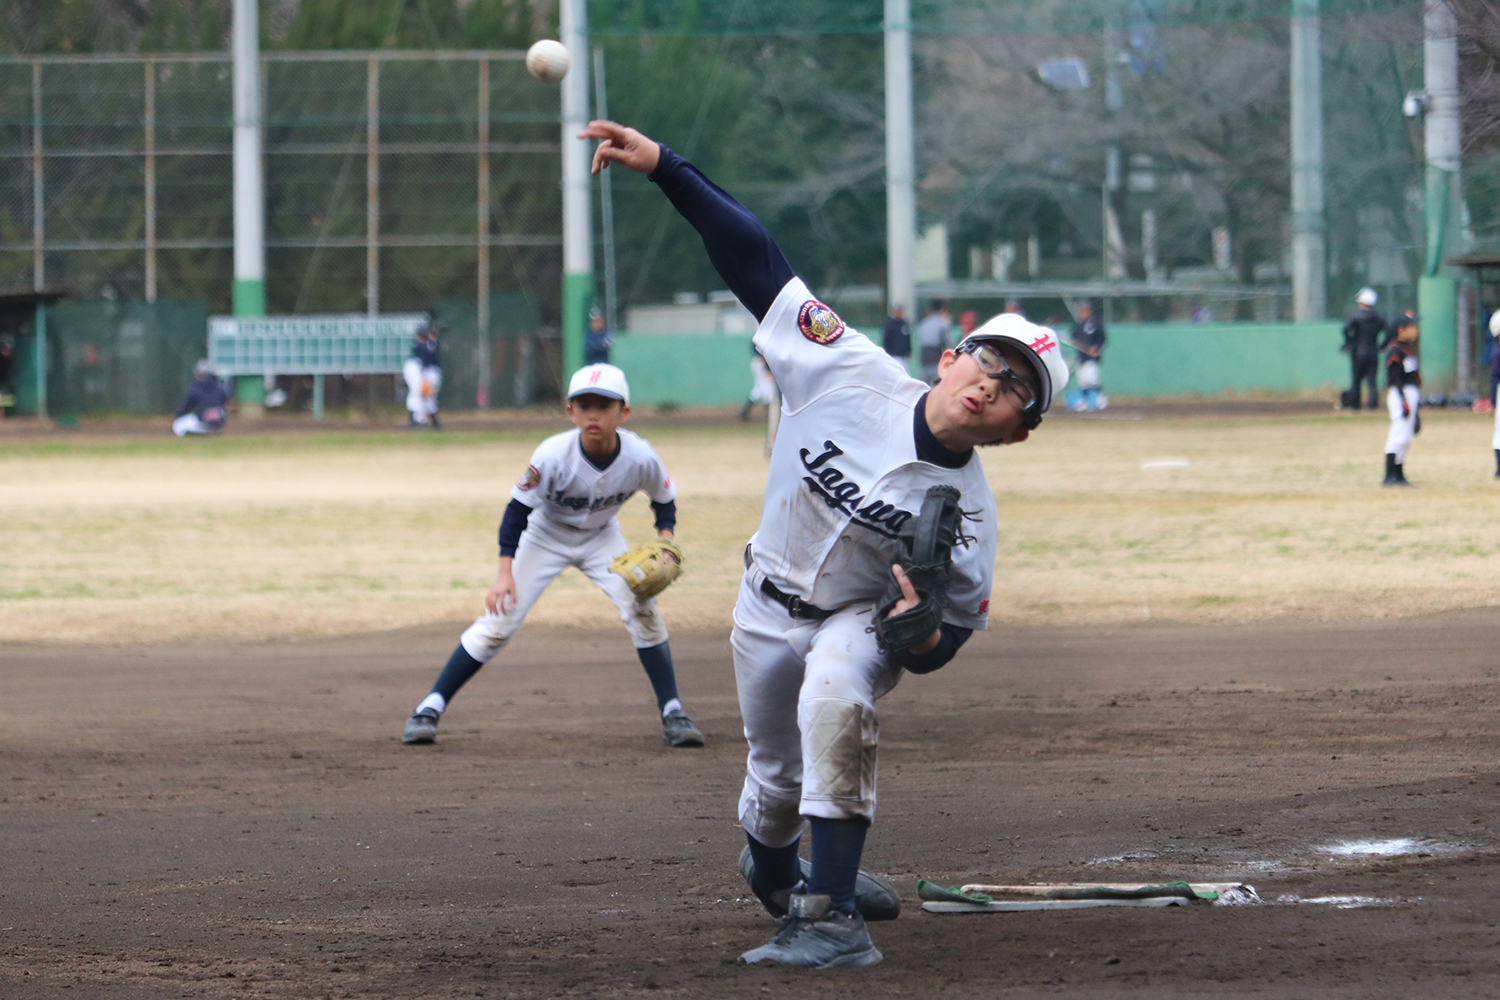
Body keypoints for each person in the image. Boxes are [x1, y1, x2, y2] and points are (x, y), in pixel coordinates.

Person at [580, 118, 1069, 970]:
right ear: (953, 357)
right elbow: (756, 258)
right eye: (991, 362)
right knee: (772, 789)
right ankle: (781, 870)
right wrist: (665, 168)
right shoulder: (847, 368)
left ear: (1017, 432)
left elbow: (943, 640)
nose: (995, 385)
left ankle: (833, 915)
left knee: (838, 694)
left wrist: (918, 640)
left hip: (854, 617)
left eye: (1018, 391)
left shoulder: (973, 517)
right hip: (764, 604)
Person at [401, 362, 705, 749]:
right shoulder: (552, 455)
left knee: (643, 611)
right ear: (570, 411)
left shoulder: (640, 456)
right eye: (584, 404)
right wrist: (504, 573)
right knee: (497, 624)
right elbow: (516, 514)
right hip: (545, 535)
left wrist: (665, 542)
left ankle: (674, 712)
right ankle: (429, 707)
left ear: (623, 412)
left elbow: (664, 500)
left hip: (602, 538)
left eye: (605, 405)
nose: (593, 413)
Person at [1382, 312, 1420, 487]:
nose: (1416, 330)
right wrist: (1403, 399)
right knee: (1398, 434)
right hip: (1401, 393)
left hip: (1409, 393)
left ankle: (1399, 474)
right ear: (1401, 330)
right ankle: (1389, 475)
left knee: (1406, 437)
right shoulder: (1395, 350)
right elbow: (1395, 377)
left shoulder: (1407, 349)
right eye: (1413, 327)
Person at [1342, 288, 1388, 410]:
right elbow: (1388, 331)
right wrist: (1382, 346)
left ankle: (1355, 405)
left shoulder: (1355, 316)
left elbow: (1346, 329)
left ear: (1362, 303)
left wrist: (1349, 341)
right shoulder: (1379, 317)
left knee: (1356, 380)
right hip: (1373, 351)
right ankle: (1372, 405)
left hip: (1357, 352)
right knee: (1372, 381)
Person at [172, 360, 230, 436]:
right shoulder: (220, 388)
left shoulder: (196, 388)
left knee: (178, 424)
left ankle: (198, 432)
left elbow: (186, 408)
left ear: (199, 374)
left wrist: (177, 416)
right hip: (219, 423)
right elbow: (225, 405)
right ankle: (214, 429)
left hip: (202, 423)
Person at [1069, 301, 1108, 412]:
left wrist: (1096, 348)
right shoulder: (1077, 324)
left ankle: (1101, 399)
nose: (1083, 313)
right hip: (1081, 357)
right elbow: (1074, 338)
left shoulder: (1095, 323)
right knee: (1083, 382)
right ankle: (1084, 402)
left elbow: (1103, 338)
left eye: (1085, 310)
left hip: (1092, 358)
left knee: (1092, 379)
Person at [916, 299, 952, 384]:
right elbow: (947, 343)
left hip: (924, 358)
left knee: (924, 385)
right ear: (942, 309)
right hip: (936, 357)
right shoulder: (942, 323)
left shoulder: (923, 323)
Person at [740, 345, 777, 422]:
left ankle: (744, 413)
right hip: (761, 362)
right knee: (768, 392)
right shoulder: (762, 338)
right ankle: (771, 416)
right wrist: (769, 371)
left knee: (758, 392)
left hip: (758, 362)